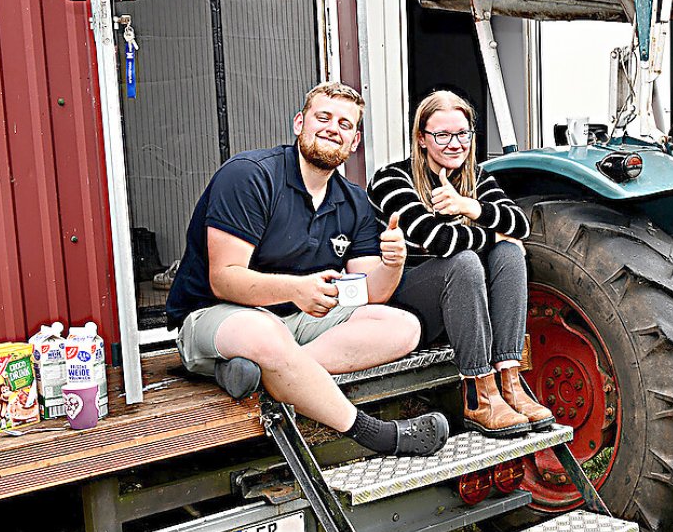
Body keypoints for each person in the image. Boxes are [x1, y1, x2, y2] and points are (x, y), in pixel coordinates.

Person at [163, 81, 449, 457]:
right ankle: (377, 434)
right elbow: (224, 278)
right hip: (217, 317)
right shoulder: (249, 176)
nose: (333, 128)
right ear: (300, 123)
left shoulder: (354, 201)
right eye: (323, 117)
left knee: (404, 327)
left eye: (345, 125)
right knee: (263, 333)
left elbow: (368, 292)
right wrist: (296, 290)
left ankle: (266, 372)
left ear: (355, 142)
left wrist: (392, 264)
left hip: (295, 324)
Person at [368, 91, 553, 437]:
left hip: (465, 302)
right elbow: (439, 241)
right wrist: (494, 236)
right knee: (466, 260)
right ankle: (479, 394)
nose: (455, 144)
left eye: (463, 134)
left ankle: (510, 382)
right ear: (421, 139)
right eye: (442, 135)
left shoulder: (476, 179)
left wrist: (472, 208)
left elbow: (521, 226)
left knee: (510, 255)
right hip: (409, 299)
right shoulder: (391, 180)